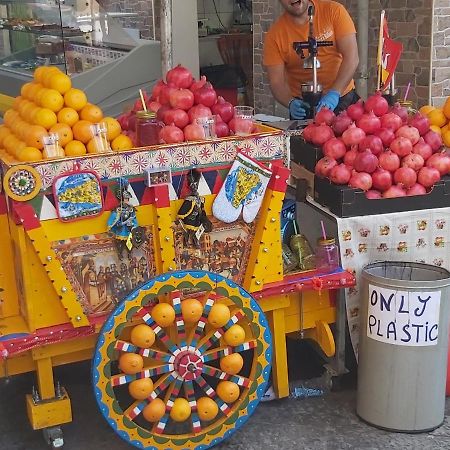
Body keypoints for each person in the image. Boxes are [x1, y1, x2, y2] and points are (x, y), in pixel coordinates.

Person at [263, 0, 359, 119]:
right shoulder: (274, 35)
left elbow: (352, 58)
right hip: (304, 106)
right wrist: (290, 102)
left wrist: (334, 93)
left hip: (342, 97)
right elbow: (276, 82)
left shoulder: (334, 11)